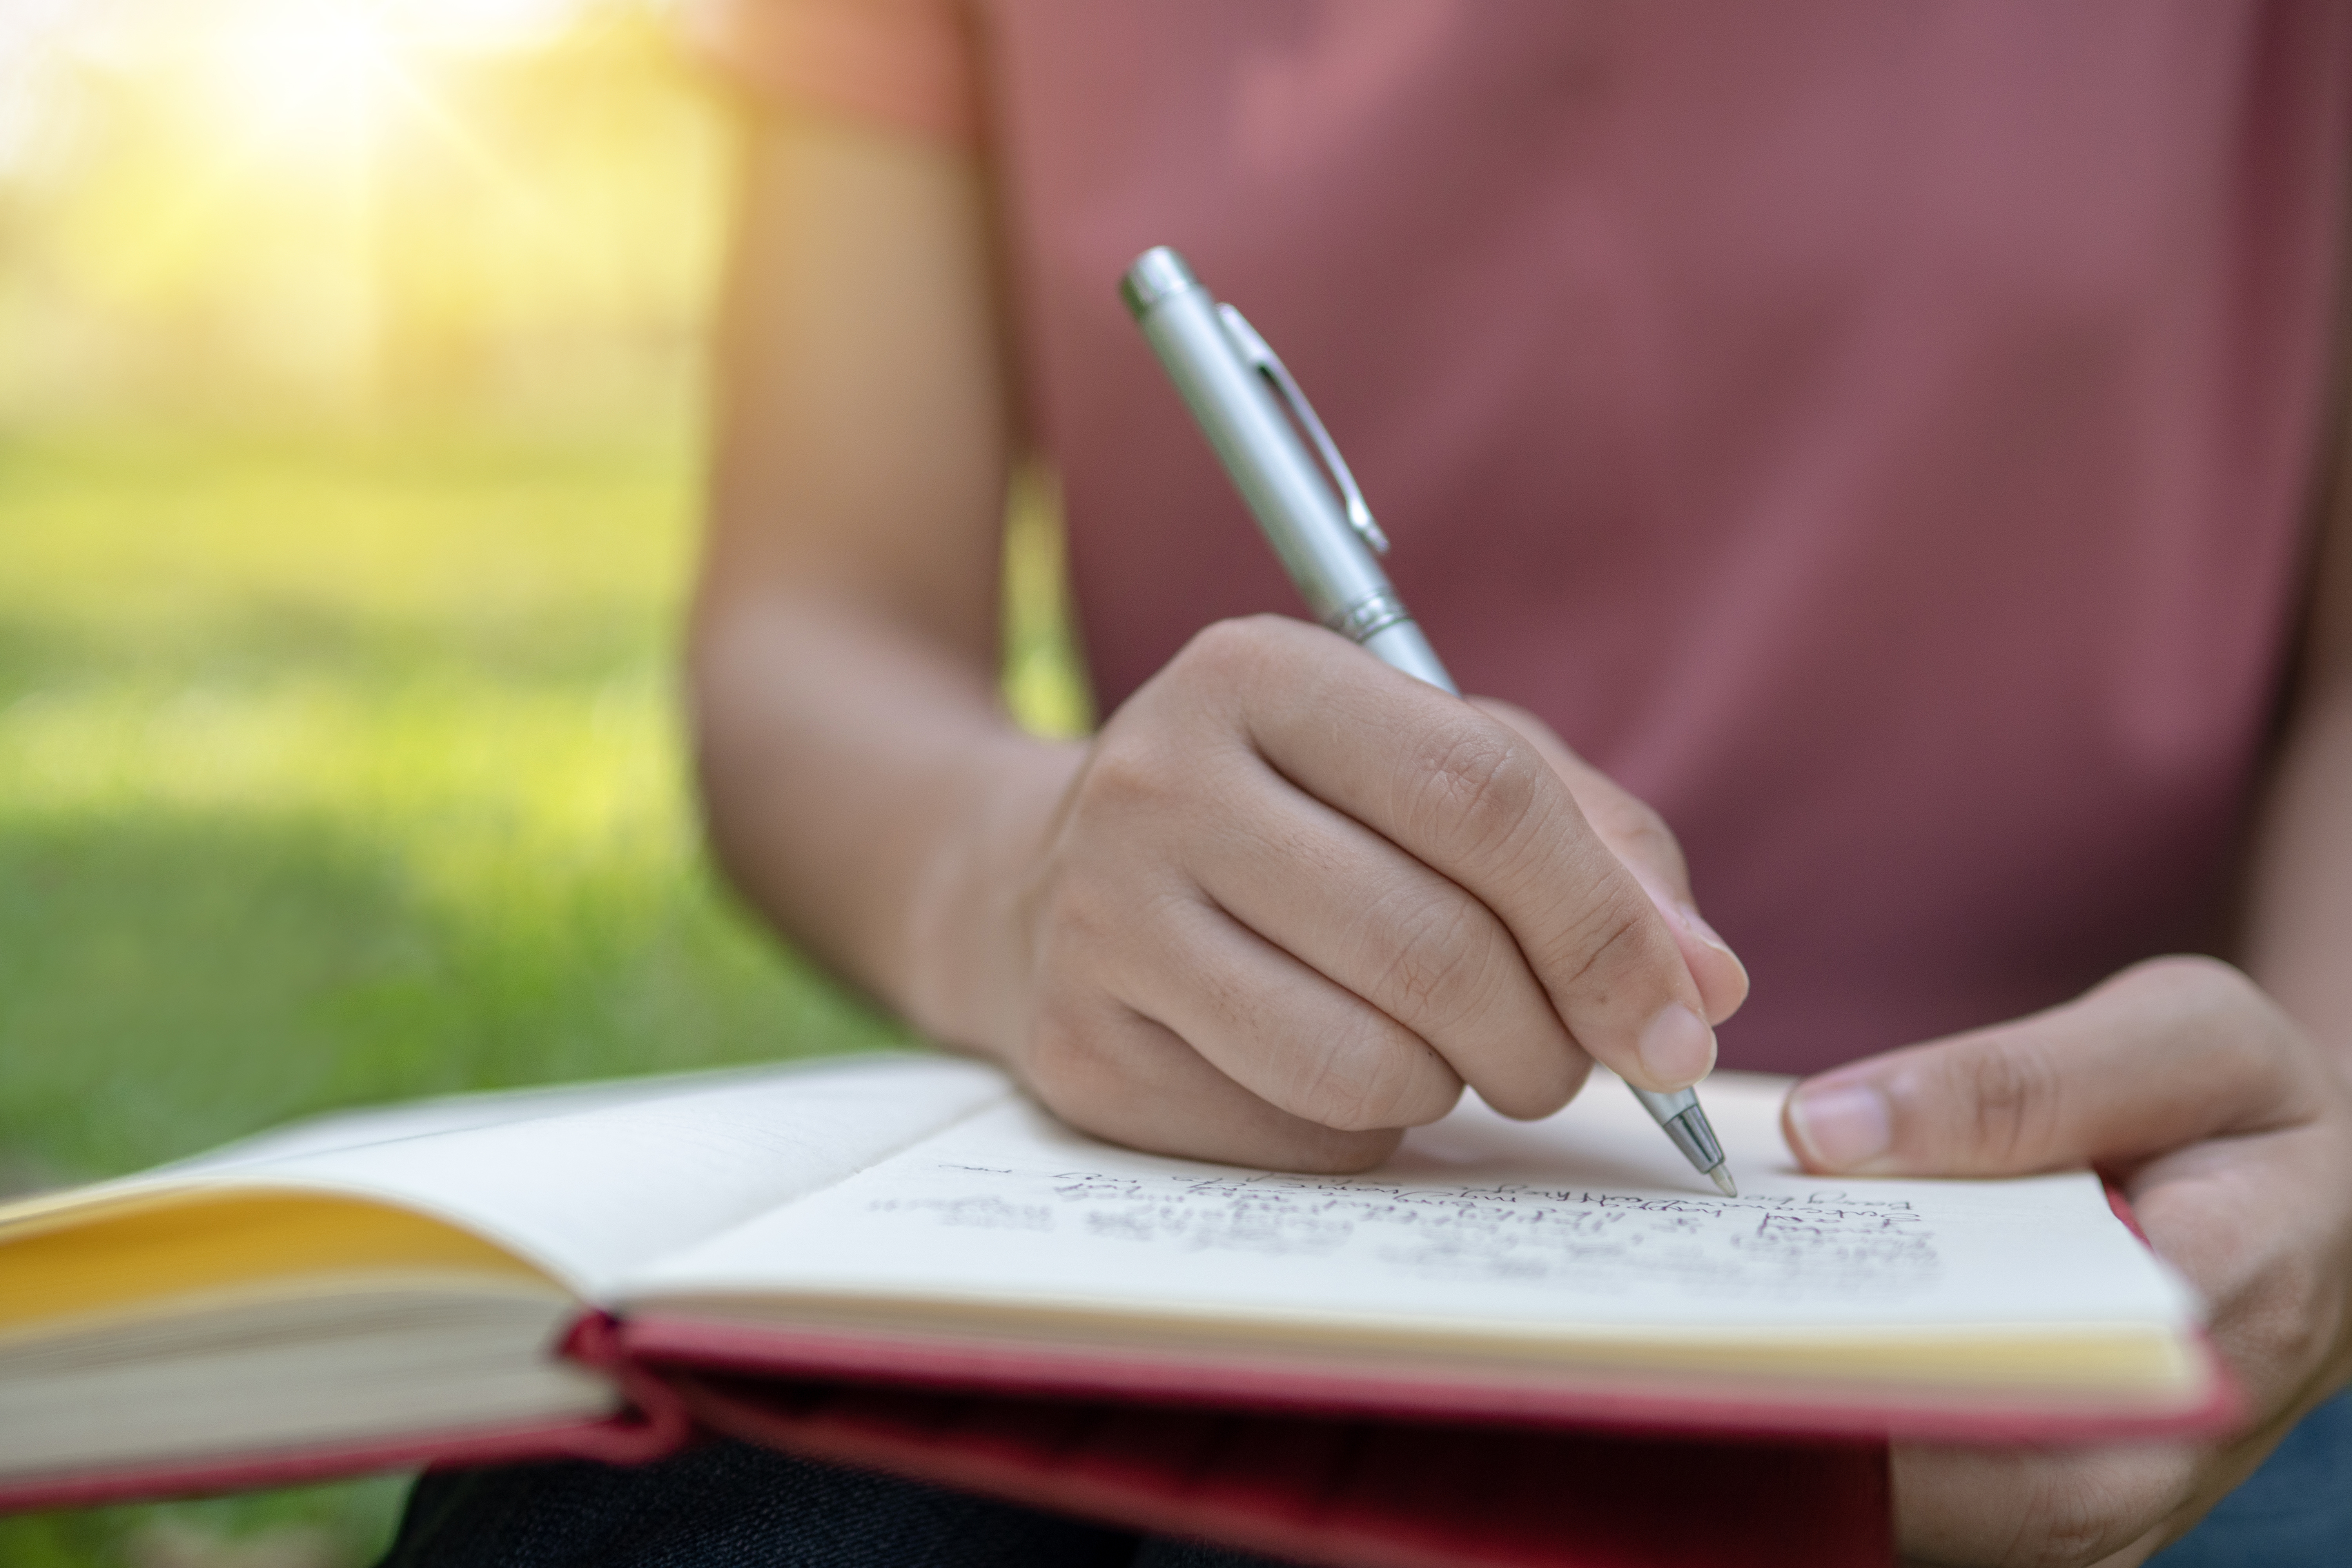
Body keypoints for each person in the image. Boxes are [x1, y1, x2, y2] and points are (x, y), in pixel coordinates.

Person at [382, 3, 2352, 1564]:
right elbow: (810, 631)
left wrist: (2324, 1138)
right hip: (1236, 1204)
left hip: (2129, 1220)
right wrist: (1013, 874)